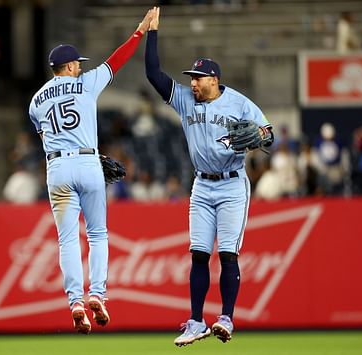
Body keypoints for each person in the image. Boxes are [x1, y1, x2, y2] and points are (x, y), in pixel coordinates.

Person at [144, 7, 274, 346]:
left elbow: (268, 134)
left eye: (198, 79)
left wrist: (260, 137)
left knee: (227, 254)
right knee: (199, 254)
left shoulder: (239, 103)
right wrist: (152, 33)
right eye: (191, 78)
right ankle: (196, 321)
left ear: (214, 79)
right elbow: (154, 74)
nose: (192, 83)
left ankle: (227, 318)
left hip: (232, 185)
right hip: (201, 186)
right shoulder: (187, 100)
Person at [28, 7, 155, 335]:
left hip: (56, 166)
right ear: (70, 67)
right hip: (88, 162)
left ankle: (75, 302)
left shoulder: (36, 101)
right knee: (97, 234)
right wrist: (139, 32)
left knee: (67, 238)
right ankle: (97, 294)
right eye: (77, 64)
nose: (79, 67)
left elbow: (44, 136)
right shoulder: (85, 83)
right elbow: (117, 59)